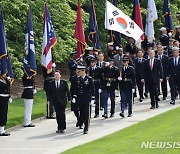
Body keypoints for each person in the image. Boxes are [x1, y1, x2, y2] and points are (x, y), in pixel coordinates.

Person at [72, 65, 95, 134]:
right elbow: (76, 89)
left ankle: (86, 127)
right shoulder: (78, 79)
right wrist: (74, 97)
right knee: (81, 113)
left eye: (79, 71)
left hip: (87, 98)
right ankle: (81, 123)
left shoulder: (89, 79)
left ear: (83, 71)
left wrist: (93, 98)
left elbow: (92, 88)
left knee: (86, 113)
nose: (78, 73)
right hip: (80, 99)